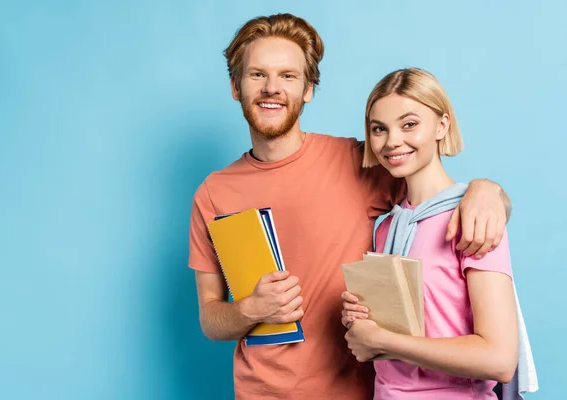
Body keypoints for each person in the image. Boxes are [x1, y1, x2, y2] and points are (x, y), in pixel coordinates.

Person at [189, 14, 511, 399]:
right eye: (257, 75)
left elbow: (435, 193)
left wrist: (487, 190)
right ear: (235, 86)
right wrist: (249, 310)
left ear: (308, 89)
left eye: (288, 76)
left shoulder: (360, 162)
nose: (272, 88)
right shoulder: (213, 193)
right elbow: (210, 318)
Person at [341, 68, 519, 399]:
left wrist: (382, 342)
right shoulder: (385, 228)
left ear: (442, 125)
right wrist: (361, 321)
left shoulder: (474, 217)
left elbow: (500, 359)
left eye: (409, 124)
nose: (392, 140)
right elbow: (407, 327)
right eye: (379, 129)